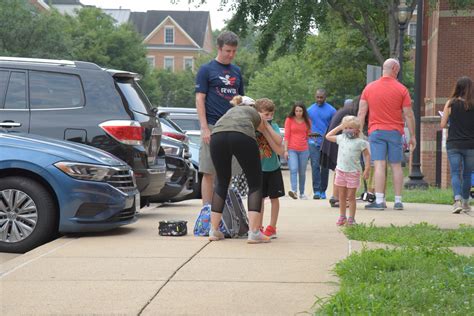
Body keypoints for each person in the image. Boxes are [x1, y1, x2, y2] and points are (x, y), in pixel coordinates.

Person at [208, 95, 271, 244]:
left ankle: (214, 230)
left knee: (221, 182)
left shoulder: (231, 111)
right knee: (255, 183)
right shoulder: (254, 113)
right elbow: (265, 130)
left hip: (217, 135)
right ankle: (254, 232)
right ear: (254, 107)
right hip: (241, 136)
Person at [358, 58, 416, 210]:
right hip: (395, 132)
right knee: (396, 166)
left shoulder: (369, 88)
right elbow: (409, 114)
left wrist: (358, 132)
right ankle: (398, 201)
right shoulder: (402, 89)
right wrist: (413, 136)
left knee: (379, 165)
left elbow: (361, 113)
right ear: (395, 69)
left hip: (376, 131)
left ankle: (379, 200)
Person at [195, 31, 244, 209]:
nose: (231, 55)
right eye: (227, 51)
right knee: (209, 172)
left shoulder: (237, 71)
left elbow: (240, 100)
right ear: (219, 48)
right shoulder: (206, 70)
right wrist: (204, 128)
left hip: (232, 127)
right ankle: (207, 212)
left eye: (234, 51)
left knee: (228, 173)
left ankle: (224, 211)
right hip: (212, 125)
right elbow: (200, 98)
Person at [326, 116, 370, 226]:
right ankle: (342, 216)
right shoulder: (341, 138)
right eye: (346, 128)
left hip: (353, 173)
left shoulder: (361, 142)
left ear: (357, 130)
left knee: (351, 196)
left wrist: (367, 169)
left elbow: (367, 156)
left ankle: (351, 218)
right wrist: (340, 127)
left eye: (351, 128)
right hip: (341, 171)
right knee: (341, 196)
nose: (348, 130)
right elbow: (328, 136)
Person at [440, 76, 474, 214]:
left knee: (455, 172)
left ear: (457, 88)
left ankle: (457, 201)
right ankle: (466, 203)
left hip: (454, 143)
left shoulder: (450, 103)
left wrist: (452, 123)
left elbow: (442, 124)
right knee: (467, 174)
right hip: (471, 145)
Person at [254, 98, 285, 238]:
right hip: (259, 169)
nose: (269, 117)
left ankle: (272, 226)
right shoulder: (253, 128)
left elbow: (279, 141)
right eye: (266, 114)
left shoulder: (274, 125)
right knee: (259, 199)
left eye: (271, 114)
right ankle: (258, 226)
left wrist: (267, 126)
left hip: (273, 168)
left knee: (274, 198)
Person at [320, 98, 359, 207]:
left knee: (339, 169)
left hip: (337, 141)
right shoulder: (350, 114)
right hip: (337, 142)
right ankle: (338, 197)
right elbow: (329, 135)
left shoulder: (345, 111)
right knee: (341, 169)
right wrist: (341, 127)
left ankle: (336, 197)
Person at [307, 89, 336, 200]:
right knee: (315, 166)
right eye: (317, 97)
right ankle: (316, 191)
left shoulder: (332, 110)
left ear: (325, 97)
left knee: (324, 166)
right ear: (315, 97)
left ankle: (323, 190)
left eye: (321, 97)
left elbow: (334, 125)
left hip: (326, 141)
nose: (319, 99)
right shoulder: (309, 110)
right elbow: (306, 125)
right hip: (313, 141)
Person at [284, 102, 311, 199]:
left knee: (302, 172)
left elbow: (308, 135)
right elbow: (286, 136)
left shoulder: (307, 121)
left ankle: (302, 193)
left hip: (304, 149)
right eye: (296, 111)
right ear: (294, 111)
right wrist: (285, 150)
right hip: (292, 149)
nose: (298, 113)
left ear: (303, 111)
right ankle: (294, 191)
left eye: (300, 111)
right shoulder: (289, 120)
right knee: (293, 169)